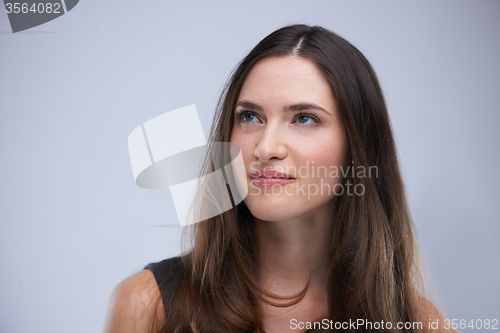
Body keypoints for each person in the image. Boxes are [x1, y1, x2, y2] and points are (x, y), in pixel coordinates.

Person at [102, 24, 458, 333]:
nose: (265, 147)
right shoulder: (147, 306)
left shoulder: (416, 322)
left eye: (304, 118)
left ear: (357, 145)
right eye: (250, 117)